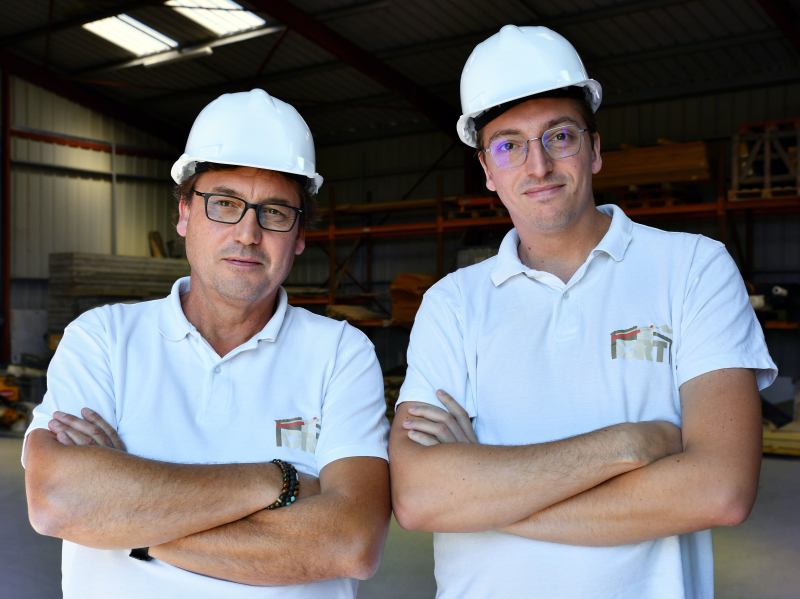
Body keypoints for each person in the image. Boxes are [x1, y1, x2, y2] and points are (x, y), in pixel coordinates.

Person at [389, 25, 776, 599]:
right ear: (488, 173)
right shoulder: (452, 303)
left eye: (559, 136)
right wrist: (625, 446)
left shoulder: (693, 267)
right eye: (509, 145)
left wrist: (480, 493)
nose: (538, 165)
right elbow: (419, 499)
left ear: (594, 150)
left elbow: (720, 488)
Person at [23, 89, 391, 599]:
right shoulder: (103, 338)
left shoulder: (340, 353)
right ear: (184, 216)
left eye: (276, 213)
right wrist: (277, 481)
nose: (247, 233)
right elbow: (58, 502)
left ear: (300, 235)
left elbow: (350, 542)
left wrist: (131, 524)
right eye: (224, 204)